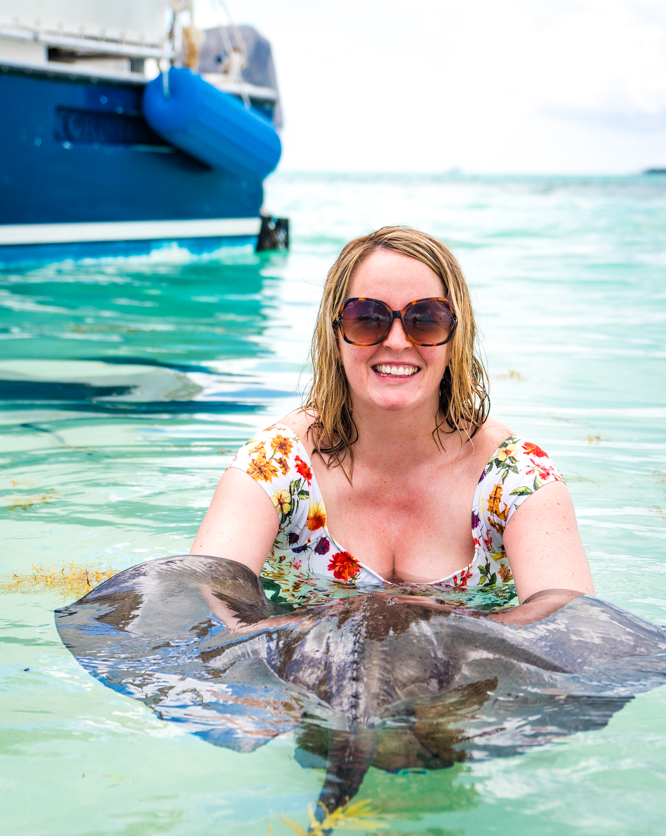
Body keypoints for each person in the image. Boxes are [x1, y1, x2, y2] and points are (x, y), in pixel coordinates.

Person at [192, 225, 594, 625]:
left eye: (426, 319)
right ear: (335, 335)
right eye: (367, 318)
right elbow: (200, 608)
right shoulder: (275, 466)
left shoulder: (517, 477)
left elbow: (573, 627)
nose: (398, 341)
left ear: (456, 336)